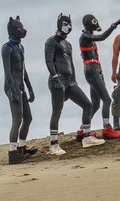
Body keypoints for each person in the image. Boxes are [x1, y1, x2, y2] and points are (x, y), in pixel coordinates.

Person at [45, 13, 104, 154]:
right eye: (65, 24)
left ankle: (87, 136)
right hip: (57, 80)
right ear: (59, 25)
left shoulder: (68, 44)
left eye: (70, 24)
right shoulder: (51, 41)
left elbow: (71, 63)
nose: (68, 27)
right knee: (57, 110)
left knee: (87, 105)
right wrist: (54, 77)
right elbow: (48, 61)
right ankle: (53, 144)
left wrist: (74, 80)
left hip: (70, 81)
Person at [79, 13, 120, 139]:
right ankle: (107, 129)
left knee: (95, 104)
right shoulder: (85, 36)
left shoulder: (87, 37)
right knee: (107, 99)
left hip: (93, 70)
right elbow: (102, 37)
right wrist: (114, 25)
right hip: (92, 70)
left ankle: (82, 130)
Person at [2, 16, 37, 165]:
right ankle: (12, 152)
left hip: (21, 86)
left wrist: (29, 87)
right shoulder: (7, 48)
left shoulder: (20, 47)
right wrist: (14, 91)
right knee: (17, 119)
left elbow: (23, 69)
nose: (23, 31)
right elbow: (7, 72)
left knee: (28, 118)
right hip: (12, 87)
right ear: (13, 30)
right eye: (19, 28)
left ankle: (21, 147)